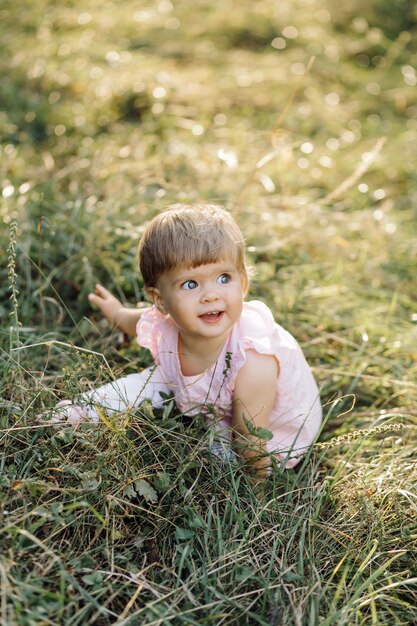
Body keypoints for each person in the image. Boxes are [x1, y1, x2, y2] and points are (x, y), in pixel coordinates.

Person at [51, 204, 322, 475]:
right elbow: (136, 321)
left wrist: (255, 495)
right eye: (190, 284)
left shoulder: (253, 361)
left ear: (242, 284)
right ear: (160, 300)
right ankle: (72, 414)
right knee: (143, 385)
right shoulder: (167, 323)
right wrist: (116, 313)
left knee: (215, 460)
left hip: (267, 431)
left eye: (223, 277)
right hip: (206, 393)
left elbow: (251, 437)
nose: (211, 295)